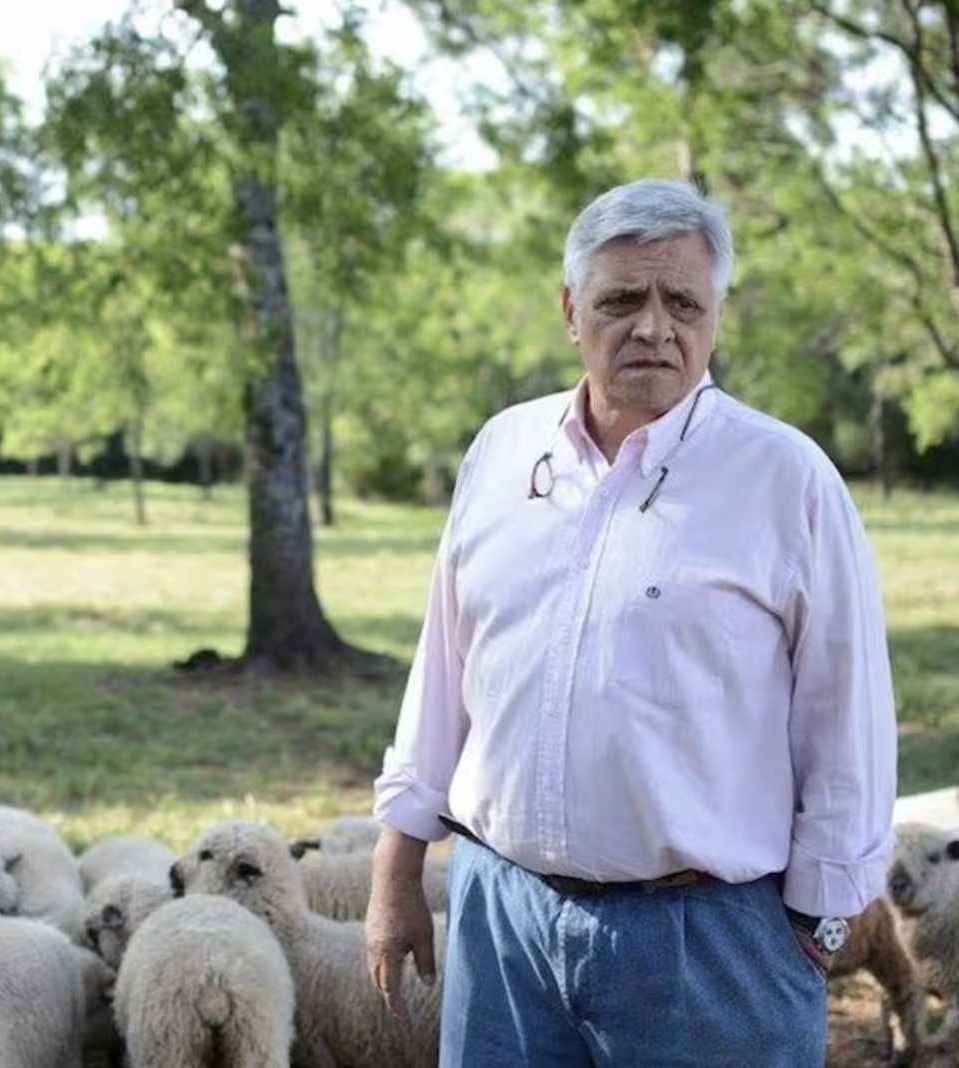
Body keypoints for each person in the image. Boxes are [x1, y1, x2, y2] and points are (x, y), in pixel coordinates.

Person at [363, 178, 896, 1066]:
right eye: (621, 300)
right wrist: (394, 871)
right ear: (572, 310)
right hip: (503, 924)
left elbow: (848, 716)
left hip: (709, 940)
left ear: (716, 313)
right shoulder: (501, 452)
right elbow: (445, 672)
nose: (653, 326)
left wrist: (823, 912)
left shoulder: (786, 480)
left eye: (682, 301)